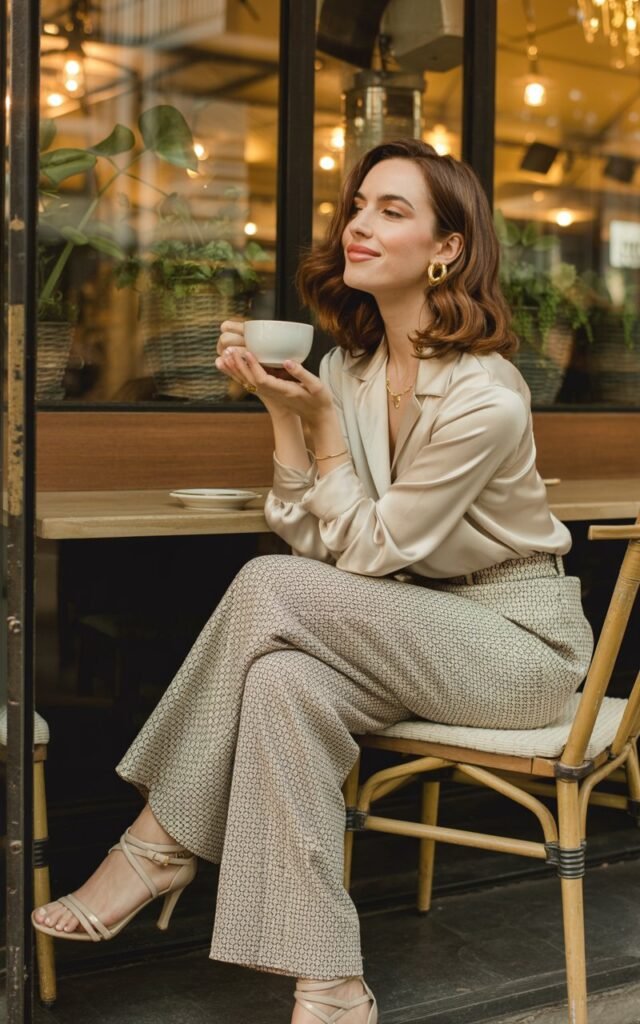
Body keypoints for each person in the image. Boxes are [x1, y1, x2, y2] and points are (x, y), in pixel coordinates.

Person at [32, 138, 593, 1024]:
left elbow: (367, 552)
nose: (358, 224)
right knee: (282, 682)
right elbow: (313, 541)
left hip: (515, 647)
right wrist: (284, 415)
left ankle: (158, 842)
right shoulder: (346, 370)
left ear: (447, 249)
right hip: (407, 626)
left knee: (267, 586)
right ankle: (330, 984)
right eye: (358, 205)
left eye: (392, 211)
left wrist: (321, 428)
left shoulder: (487, 396)